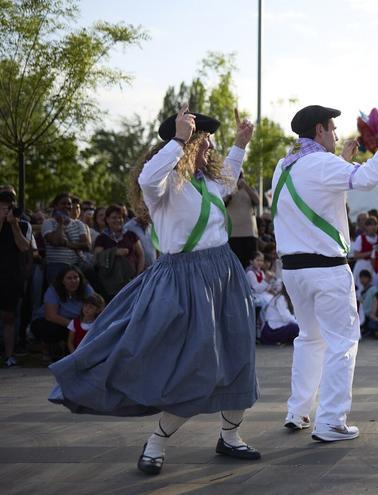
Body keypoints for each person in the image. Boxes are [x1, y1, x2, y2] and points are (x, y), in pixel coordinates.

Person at [48, 106, 261, 474]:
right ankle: (157, 441)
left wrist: (240, 145)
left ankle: (230, 436)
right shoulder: (164, 188)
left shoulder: (206, 184)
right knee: (195, 366)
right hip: (187, 280)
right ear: (188, 147)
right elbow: (148, 178)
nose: (210, 146)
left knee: (238, 352)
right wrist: (178, 139)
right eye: (205, 141)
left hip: (225, 272)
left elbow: (229, 181)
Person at [272, 104, 378, 441]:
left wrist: (342, 162)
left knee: (308, 339)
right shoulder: (321, 163)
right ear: (319, 130)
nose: (335, 134)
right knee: (341, 342)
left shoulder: (283, 166)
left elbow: (318, 192)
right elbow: (369, 179)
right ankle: (331, 420)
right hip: (325, 269)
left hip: (294, 271)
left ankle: (299, 410)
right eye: (331, 128)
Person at [31, 266, 95, 361]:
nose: (73, 281)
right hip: (52, 321)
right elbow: (50, 316)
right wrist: (75, 326)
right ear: (62, 281)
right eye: (69, 278)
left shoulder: (86, 289)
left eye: (76, 277)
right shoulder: (53, 291)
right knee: (51, 330)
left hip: (76, 322)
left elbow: (94, 307)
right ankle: (47, 348)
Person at [0, 191, 31, 368]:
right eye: (3, 207)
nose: (7, 211)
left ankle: (9, 355)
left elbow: (24, 246)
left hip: (10, 276)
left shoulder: (22, 225)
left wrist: (13, 225)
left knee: (9, 317)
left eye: (8, 207)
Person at [93, 204, 145, 300]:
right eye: (114, 218)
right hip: (111, 283)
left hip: (132, 280)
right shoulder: (102, 238)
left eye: (120, 217)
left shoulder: (130, 235)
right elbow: (97, 257)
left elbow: (141, 255)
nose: (117, 220)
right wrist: (114, 252)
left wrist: (139, 274)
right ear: (107, 220)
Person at [42, 193, 91, 284]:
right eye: (63, 203)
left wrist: (68, 244)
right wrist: (60, 224)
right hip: (57, 264)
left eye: (69, 204)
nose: (67, 206)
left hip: (76, 264)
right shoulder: (48, 223)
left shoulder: (78, 224)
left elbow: (87, 245)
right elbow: (56, 242)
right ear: (56, 206)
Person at [226, 172, 261, 267]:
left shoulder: (250, 188)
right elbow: (223, 201)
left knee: (251, 263)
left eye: (241, 176)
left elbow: (257, 201)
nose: (240, 179)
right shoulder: (227, 189)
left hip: (250, 233)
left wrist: (246, 187)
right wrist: (235, 188)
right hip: (233, 234)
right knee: (235, 264)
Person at [351, 216, 378, 291]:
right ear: (366, 226)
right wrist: (371, 252)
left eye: (375, 224)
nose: (373, 227)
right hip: (362, 265)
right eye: (370, 224)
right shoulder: (361, 238)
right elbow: (356, 255)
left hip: (374, 267)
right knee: (361, 289)